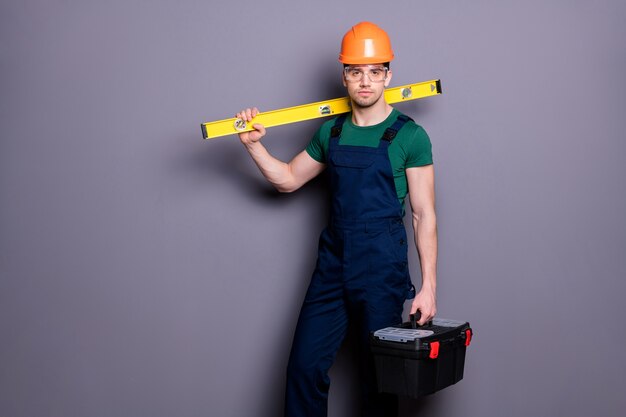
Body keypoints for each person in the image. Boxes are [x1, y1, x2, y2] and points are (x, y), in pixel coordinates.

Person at [236, 22, 437, 417]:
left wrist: (428, 287)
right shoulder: (332, 131)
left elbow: (423, 214)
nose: (366, 81)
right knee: (304, 368)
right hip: (332, 265)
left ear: (388, 75)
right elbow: (289, 180)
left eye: (375, 71)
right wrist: (253, 147)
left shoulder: (410, 136)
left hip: (381, 268)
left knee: (377, 381)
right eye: (356, 71)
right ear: (344, 75)